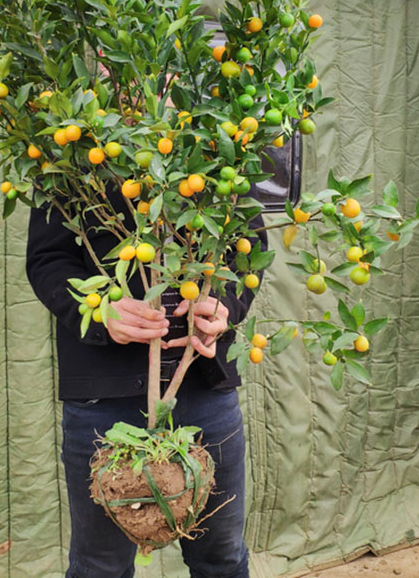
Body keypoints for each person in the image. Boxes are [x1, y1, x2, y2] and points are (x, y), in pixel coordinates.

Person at [26, 186, 266, 578]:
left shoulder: (227, 151)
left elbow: (249, 249)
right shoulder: (71, 159)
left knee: (222, 559)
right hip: (105, 396)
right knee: (100, 566)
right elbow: (46, 258)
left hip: (204, 385)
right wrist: (99, 310)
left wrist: (226, 307)